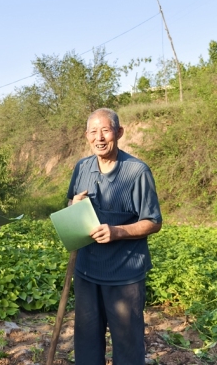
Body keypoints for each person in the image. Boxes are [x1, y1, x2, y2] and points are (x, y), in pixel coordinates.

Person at [67, 108, 162, 365]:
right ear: (86, 135)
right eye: (93, 132)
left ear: (118, 132)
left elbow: (153, 222)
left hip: (124, 276)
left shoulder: (136, 172)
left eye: (105, 130)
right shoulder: (82, 168)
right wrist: (73, 206)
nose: (99, 137)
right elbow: (70, 204)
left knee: (127, 344)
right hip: (86, 271)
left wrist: (117, 231)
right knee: (86, 342)